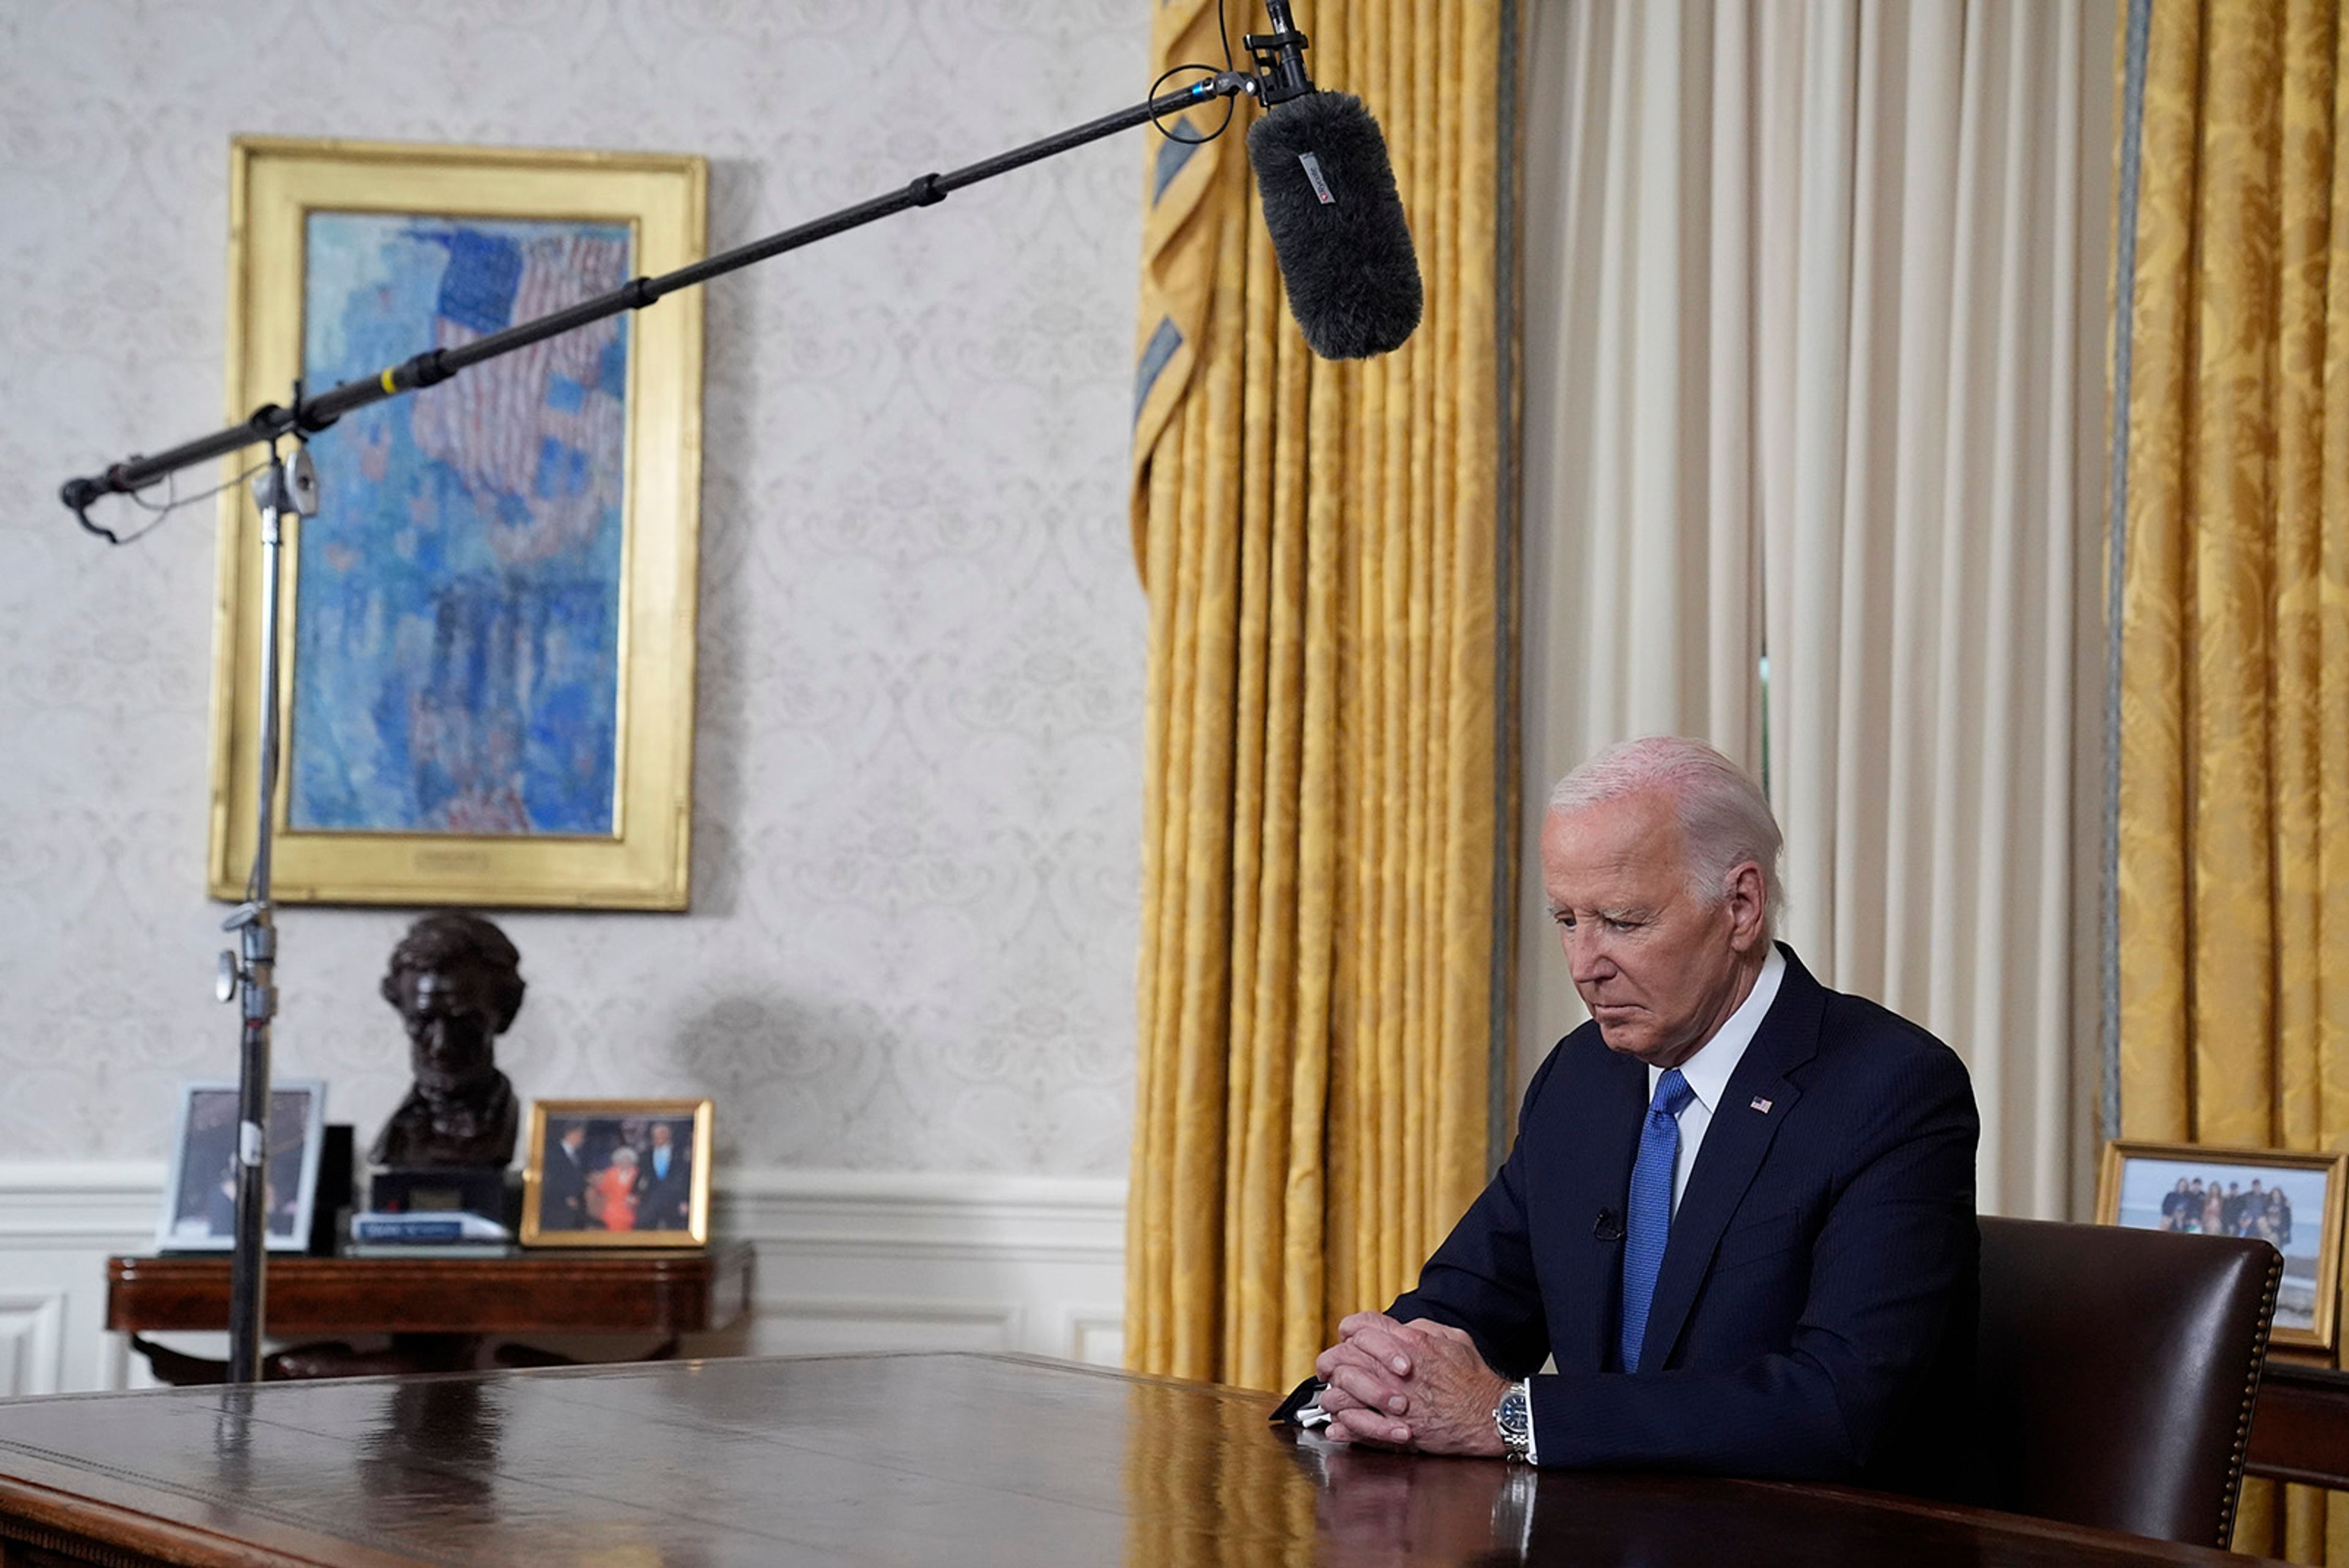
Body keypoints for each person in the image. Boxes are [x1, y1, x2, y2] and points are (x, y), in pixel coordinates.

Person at [1294, 737, 1979, 1491]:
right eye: (1566, 919)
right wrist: (1367, 1385)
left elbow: (1839, 1406)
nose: (1585, 962)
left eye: (1621, 921)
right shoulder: (1583, 1074)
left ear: (1741, 905)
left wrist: (1512, 1417)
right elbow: (1468, 1308)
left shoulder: (1891, 1086)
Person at [369, 912, 527, 1169]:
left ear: (505, 1014)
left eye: (463, 1024)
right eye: (423, 1022)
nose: (440, 1045)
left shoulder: (518, 1128)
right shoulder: (398, 1136)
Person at [636, 1121, 693, 1230]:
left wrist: (686, 1200)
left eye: (663, 1134)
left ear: (669, 1136)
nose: (660, 1137)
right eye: (657, 1135)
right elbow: (640, 1176)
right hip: (651, 1199)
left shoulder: (680, 1154)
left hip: (674, 1199)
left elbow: (686, 1178)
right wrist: (634, 1193)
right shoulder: (646, 1155)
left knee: (674, 1229)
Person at [540, 1122, 590, 1230]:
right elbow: (553, 1177)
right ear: (570, 1134)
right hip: (558, 1205)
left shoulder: (577, 1155)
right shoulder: (554, 1153)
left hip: (574, 1206)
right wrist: (566, 1196)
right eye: (580, 1136)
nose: (582, 1140)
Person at [592, 1146, 640, 1232]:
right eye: (622, 1160)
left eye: (628, 1160)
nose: (625, 1162)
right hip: (613, 1210)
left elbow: (642, 1190)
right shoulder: (611, 1173)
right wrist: (597, 1183)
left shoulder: (637, 1173)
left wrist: (635, 1200)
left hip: (633, 1210)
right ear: (617, 1162)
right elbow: (602, 1189)